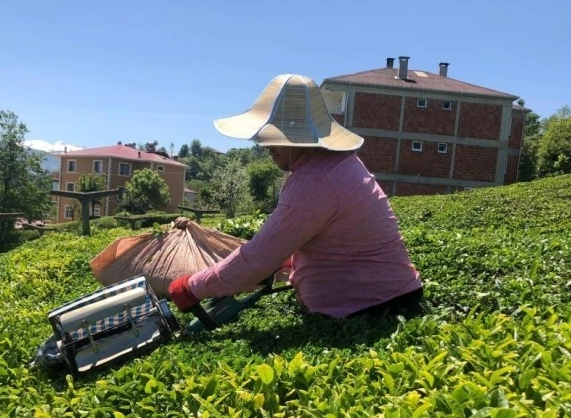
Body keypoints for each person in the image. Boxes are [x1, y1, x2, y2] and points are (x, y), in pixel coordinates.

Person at [168, 74, 424, 320]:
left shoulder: (315, 181)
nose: (266, 146)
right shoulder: (335, 166)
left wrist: (190, 288)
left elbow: (257, 259)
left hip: (374, 307)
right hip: (389, 296)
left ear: (299, 138)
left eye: (274, 137)